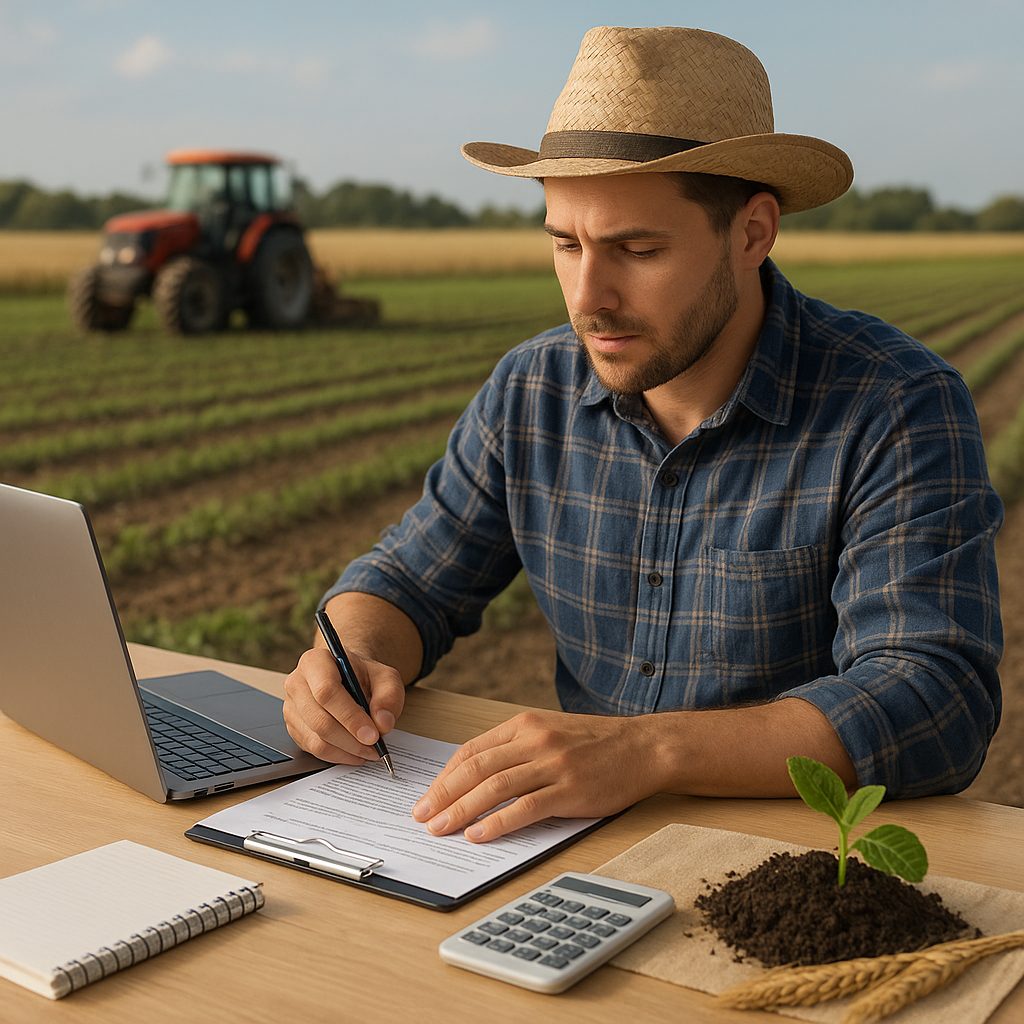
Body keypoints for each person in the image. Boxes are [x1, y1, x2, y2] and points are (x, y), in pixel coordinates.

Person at [282, 26, 1003, 842]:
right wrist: (348, 659)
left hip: (791, 857)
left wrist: (647, 750)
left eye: (637, 248)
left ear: (752, 234)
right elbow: (407, 581)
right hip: (567, 846)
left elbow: (933, 699)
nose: (589, 295)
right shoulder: (531, 390)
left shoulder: (893, 404)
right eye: (566, 243)